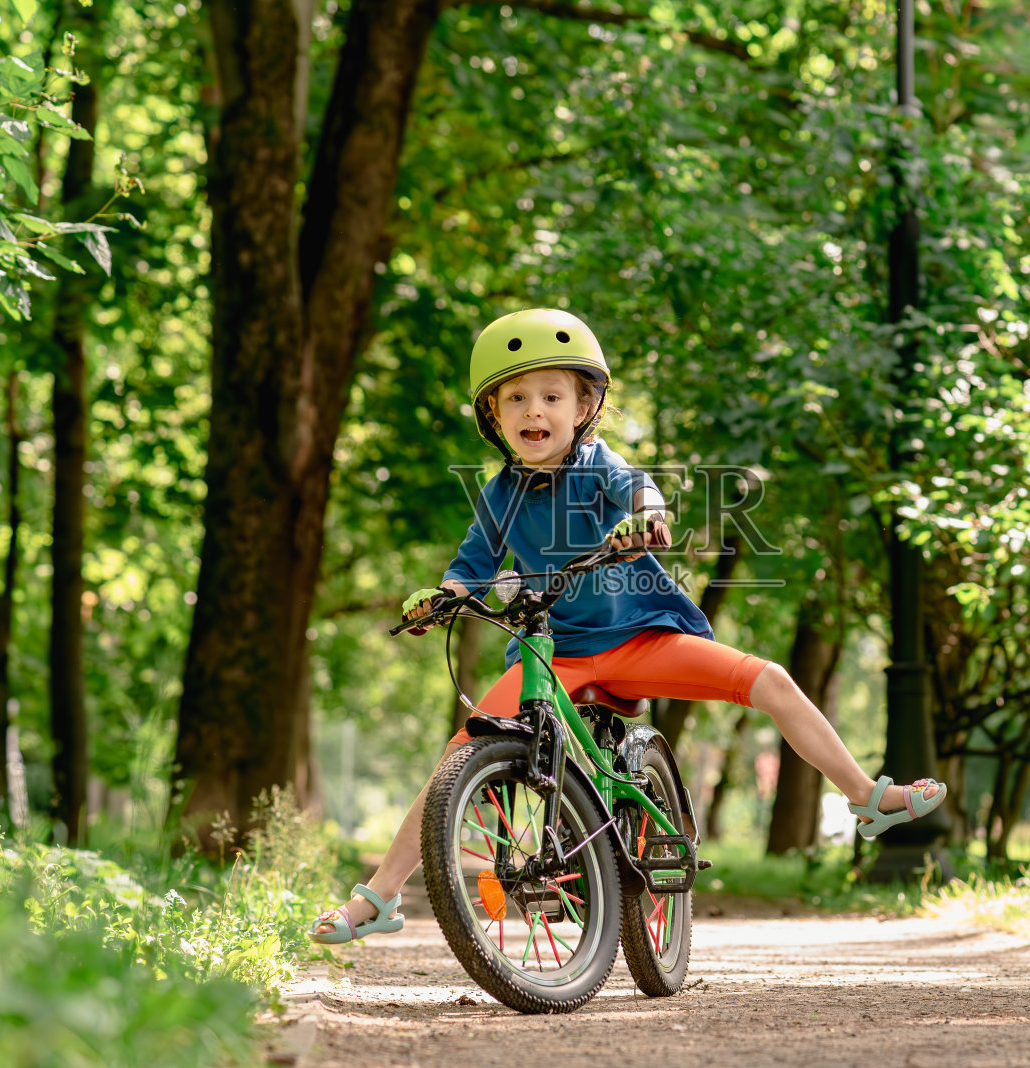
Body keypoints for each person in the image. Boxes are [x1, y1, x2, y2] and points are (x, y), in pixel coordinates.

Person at [308, 308, 947, 944]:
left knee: (771, 680)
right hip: (552, 655)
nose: (535, 411)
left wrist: (646, 517)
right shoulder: (499, 495)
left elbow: (639, 490)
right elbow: (470, 568)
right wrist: (438, 600)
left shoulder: (596, 466)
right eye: (517, 399)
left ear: (583, 406)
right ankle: (377, 898)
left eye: (552, 396)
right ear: (494, 416)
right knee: (459, 756)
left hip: (641, 638)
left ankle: (865, 794)